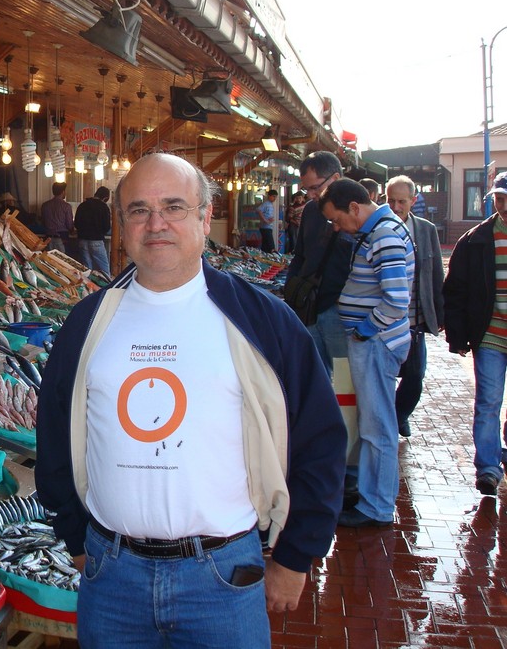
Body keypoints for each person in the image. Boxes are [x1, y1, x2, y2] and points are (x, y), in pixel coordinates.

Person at [35, 153, 346, 647]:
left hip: (223, 578)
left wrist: (295, 555)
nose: (155, 223)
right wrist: (74, 534)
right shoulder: (87, 322)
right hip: (111, 578)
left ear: (204, 218)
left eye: (174, 207)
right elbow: (53, 432)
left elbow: (321, 439)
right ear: (121, 225)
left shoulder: (263, 321)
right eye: (138, 210)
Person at [319, 178, 414, 527]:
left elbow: (396, 301)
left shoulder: (384, 234)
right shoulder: (378, 231)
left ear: (355, 208)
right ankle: (374, 498)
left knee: (377, 427)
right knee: (374, 425)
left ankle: (376, 507)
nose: (336, 226)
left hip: (376, 343)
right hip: (374, 342)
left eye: (337, 219)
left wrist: (363, 330)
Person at [443, 170, 507, 497]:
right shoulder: (476, 240)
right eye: (500, 198)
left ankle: (501, 450)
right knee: (488, 402)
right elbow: (455, 289)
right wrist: (457, 334)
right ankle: (488, 468)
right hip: (491, 336)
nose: (504, 205)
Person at [284, 151, 355, 375]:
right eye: (307, 189)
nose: (311, 194)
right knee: (315, 376)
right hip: (310, 307)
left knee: (345, 380)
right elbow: (300, 255)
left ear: (334, 179)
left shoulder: (356, 210)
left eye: (315, 188)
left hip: (341, 311)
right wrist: (291, 290)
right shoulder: (311, 211)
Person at [385, 175, 444, 438]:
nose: (396, 207)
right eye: (391, 200)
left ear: (413, 201)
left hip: (416, 320)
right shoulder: (379, 227)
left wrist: (439, 313)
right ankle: (390, 419)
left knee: (415, 375)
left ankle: (399, 414)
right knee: (386, 375)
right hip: (386, 321)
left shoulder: (426, 229)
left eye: (401, 201)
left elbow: (435, 275)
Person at [74, 186, 111, 274]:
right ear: (105, 197)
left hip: (82, 240)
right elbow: (106, 226)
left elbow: (76, 223)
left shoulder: (82, 205)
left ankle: (88, 286)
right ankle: (107, 286)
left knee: (86, 270)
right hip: (96, 240)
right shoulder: (103, 207)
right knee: (104, 269)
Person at [41, 182, 73, 253]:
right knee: (62, 260)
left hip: (48, 237)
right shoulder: (66, 206)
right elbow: (69, 224)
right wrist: (72, 230)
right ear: (63, 192)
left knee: (49, 260)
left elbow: (43, 222)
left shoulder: (45, 205)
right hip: (62, 238)